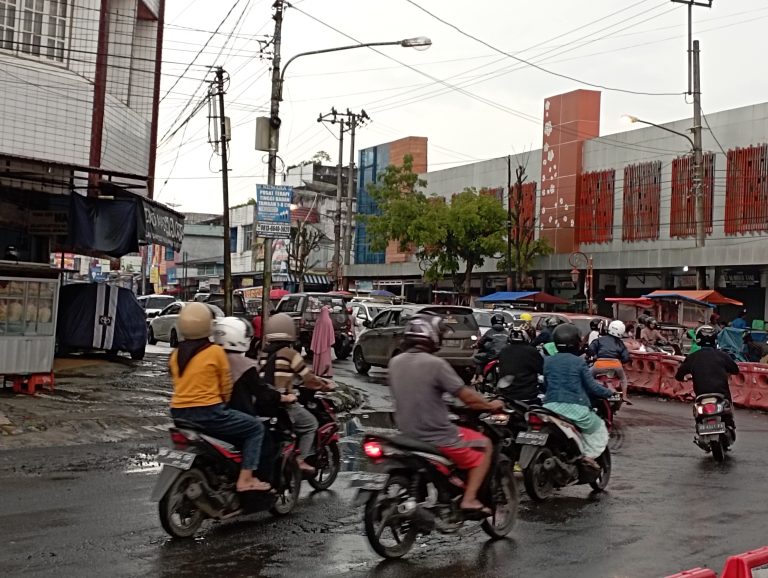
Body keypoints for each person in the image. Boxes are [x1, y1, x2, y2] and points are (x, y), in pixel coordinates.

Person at [388, 313, 504, 515]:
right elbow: (467, 397)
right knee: (485, 446)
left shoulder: (395, 362)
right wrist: (491, 405)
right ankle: (469, 499)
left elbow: (419, 392)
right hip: (437, 436)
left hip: (405, 434)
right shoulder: (436, 365)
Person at [168, 303, 270, 492]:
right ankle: (246, 479)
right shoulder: (214, 352)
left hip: (178, 414)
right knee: (255, 428)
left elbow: (177, 382)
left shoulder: (176, 355)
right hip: (208, 412)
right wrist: (224, 402)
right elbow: (225, 386)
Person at [213, 316, 297, 478]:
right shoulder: (245, 365)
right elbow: (264, 393)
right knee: (263, 440)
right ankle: (257, 492)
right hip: (232, 417)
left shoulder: (210, 358)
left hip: (208, 417)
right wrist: (284, 398)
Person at [258, 313, 334, 474]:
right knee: (310, 424)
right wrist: (325, 386)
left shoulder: (264, 353)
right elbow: (308, 379)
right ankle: (301, 460)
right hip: (284, 403)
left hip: (265, 403)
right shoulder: (289, 354)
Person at [542, 323, 615, 468]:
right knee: (598, 427)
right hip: (574, 408)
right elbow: (592, 387)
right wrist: (609, 392)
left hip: (549, 407)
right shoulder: (578, 362)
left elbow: (546, 384)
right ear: (575, 343)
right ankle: (588, 456)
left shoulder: (547, 361)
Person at [675, 325, 739, 433]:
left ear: (698, 340)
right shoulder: (722, 355)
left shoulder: (692, 357)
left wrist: (683, 378)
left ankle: (700, 427)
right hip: (721, 392)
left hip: (701, 394)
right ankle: (730, 425)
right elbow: (735, 370)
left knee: (698, 411)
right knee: (728, 407)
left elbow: (679, 375)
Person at [497, 326, 544, 406]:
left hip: (506, 395)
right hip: (528, 395)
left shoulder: (503, 350)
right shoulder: (532, 351)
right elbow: (542, 369)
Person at [588, 320, 631, 401]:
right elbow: (626, 358)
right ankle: (625, 396)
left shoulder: (600, 339)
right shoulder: (620, 343)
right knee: (623, 379)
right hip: (616, 365)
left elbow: (590, 350)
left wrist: (593, 356)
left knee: (587, 376)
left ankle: (587, 393)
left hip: (599, 365)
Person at [471, 313, 508, 386]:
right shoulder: (507, 332)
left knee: (477, 358)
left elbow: (481, 342)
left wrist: (475, 345)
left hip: (493, 354)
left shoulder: (490, 332)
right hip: (505, 355)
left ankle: (480, 376)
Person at [311, 305, 336, 377]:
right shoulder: (328, 321)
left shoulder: (318, 321)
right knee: (325, 357)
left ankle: (317, 370)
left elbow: (315, 333)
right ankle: (325, 371)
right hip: (326, 344)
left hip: (318, 343)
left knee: (318, 357)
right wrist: (330, 340)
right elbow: (331, 333)